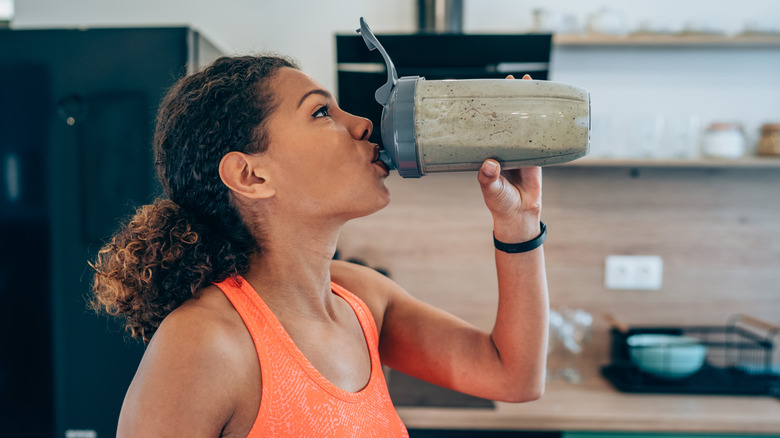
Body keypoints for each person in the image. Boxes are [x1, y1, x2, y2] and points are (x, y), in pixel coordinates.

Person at [90, 55, 548, 437]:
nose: (364, 124)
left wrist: (519, 222)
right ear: (251, 176)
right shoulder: (205, 343)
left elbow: (514, 375)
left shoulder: (362, 300)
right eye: (321, 112)